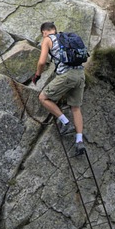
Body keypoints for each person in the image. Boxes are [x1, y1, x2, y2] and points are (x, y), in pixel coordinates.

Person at [31, 21, 86, 155]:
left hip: (67, 76)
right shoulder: (67, 38)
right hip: (80, 74)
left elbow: (42, 61)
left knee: (43, 98)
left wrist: (37, 75)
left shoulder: (47, 40)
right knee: (76, 108)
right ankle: (79, 140)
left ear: (44, 32)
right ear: (54, 29)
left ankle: (65, 122)